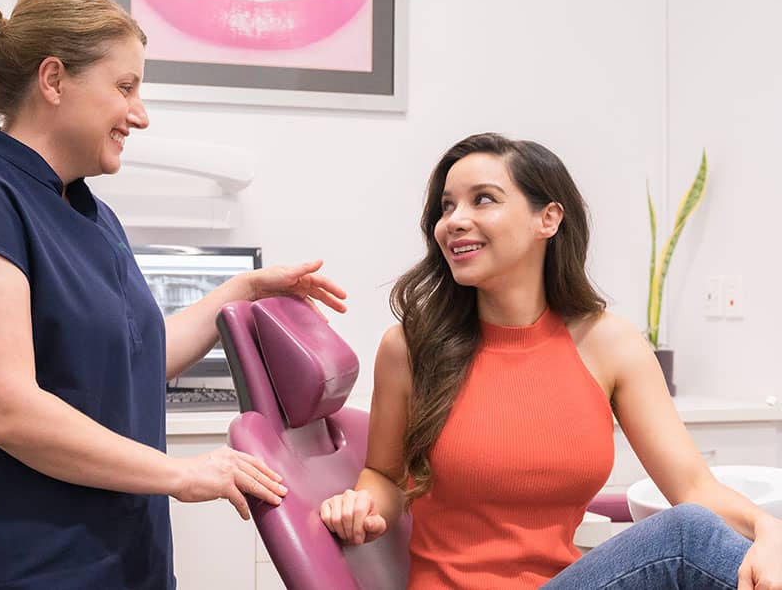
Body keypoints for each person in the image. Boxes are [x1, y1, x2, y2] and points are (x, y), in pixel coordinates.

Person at [0, 0, 346, 590]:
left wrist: (243, 290)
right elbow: (4, 408)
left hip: (123, 558)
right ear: (54, 81)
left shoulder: (88, 213)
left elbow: (137, 358)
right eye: (125, 87)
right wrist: (179, 473)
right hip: (24, 564)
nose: (140, 113)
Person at [319, 133, 782, 589]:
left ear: (549, 218)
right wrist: (363, 505)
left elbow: (695, 488)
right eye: (447, 206)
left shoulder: (612, 345)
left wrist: (769, 529)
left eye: (483, 200)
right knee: (685, 537)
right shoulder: (409, 347)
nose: (455, 221)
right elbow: (384, 474)